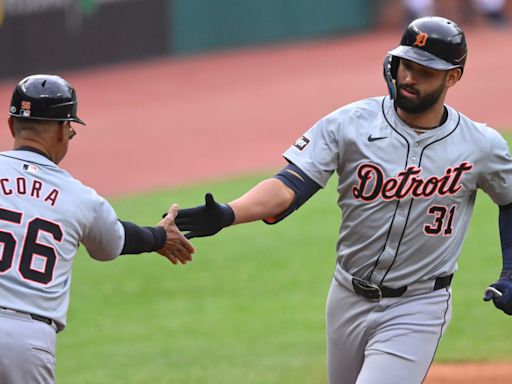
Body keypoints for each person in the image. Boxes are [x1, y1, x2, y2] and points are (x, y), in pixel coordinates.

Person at [173, 16, 512, 384]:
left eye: (425, 72)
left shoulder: (480, 145)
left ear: (453, 77)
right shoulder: (350, 123)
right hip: (346, 297)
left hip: (418, 306)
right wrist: (228, 213)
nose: (409, 78)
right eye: (406, 66)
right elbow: (290, 184)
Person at [0, 74, 195, 384]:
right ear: (65, 129)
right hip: (27, 344)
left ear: (12, 125)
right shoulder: (79, 197)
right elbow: (112, 241)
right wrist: (159, 237)